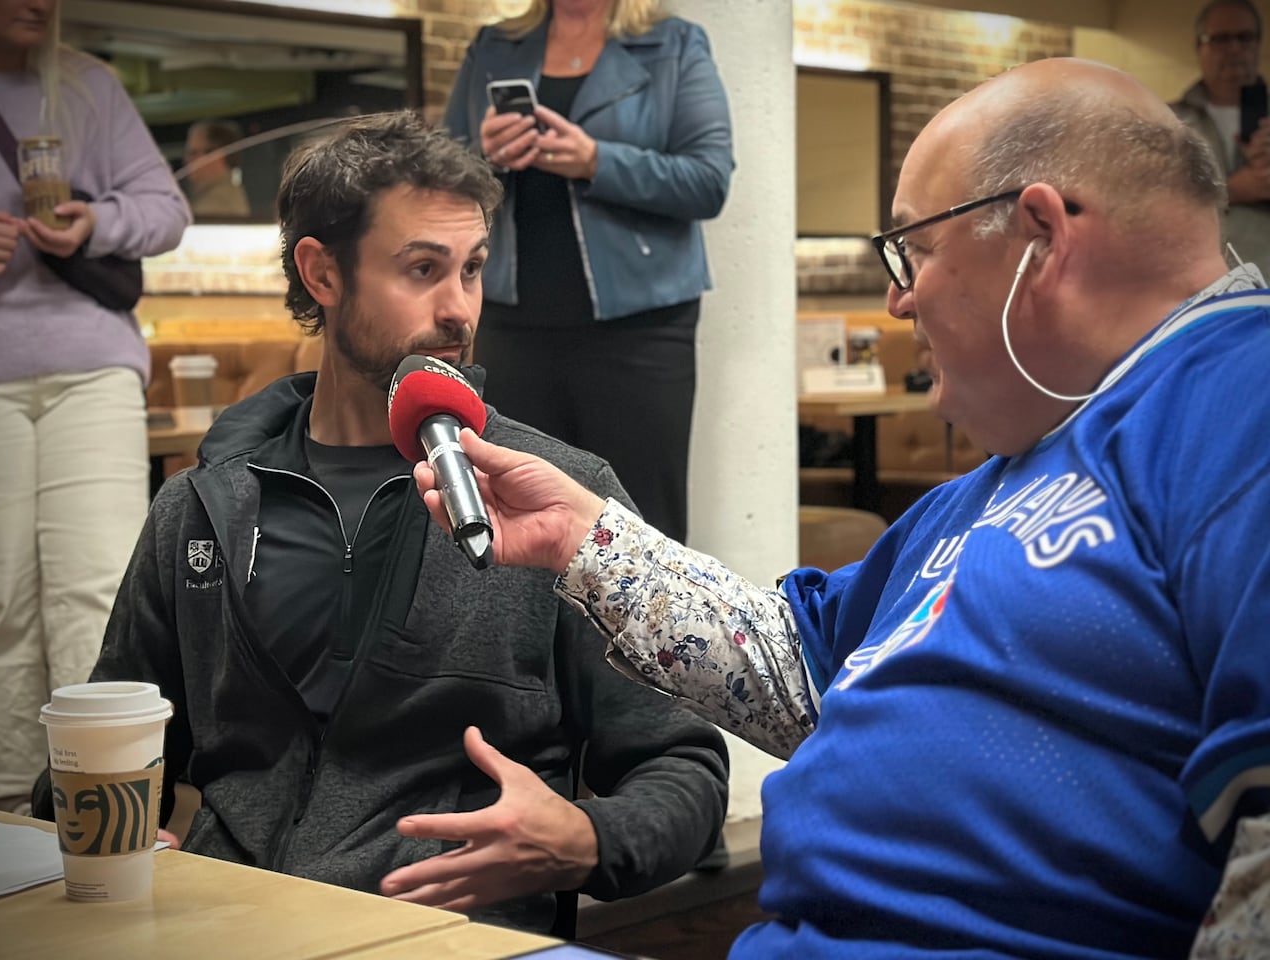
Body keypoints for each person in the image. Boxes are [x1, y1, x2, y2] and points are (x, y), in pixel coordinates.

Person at [416, 57, 1270, 958]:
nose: (898, 299)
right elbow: (798, 669)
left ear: (1040, 236)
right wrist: (586, 538)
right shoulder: (1009, 466)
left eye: (915, 250)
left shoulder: (1238, 400)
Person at [32, 110, 728, 936]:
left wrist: (585, 837)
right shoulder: (202, 505)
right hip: (222, 929)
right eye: (422, 269)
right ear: (321, 273)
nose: (458, 307)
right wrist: (110, 826)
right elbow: (96, 745)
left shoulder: (561, 496)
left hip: (448, 938)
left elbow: (682, 768)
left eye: (470, 269)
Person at [0, 0, 190, 815]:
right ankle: (9, 806)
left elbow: (167, 212)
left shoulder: (87, 87)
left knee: (100, 593)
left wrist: (95, 222)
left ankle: (101, 800)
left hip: (92, 370)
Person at [442, 0, 734, 545]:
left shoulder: (674, 44)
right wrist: (487, 156)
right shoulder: (494, 46)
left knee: (644, 522)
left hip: (641, 327)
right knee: (515, 512)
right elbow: (442, 173)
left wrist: (597, 160)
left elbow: (708, 179)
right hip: (512, 319)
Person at [1171, 0, 1270, 275]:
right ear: (1199, 47)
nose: (1235, 49)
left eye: (1244, 38)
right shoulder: (1167, 121)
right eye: (1221, 39)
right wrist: (1234, 190)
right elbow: (1149, 203)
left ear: (1258, 45)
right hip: (1193, 283)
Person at [182, 118, 251, 219]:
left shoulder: (219, 202)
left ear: (217, 156)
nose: (187, 160)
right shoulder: (212, 195)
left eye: (193, 153)